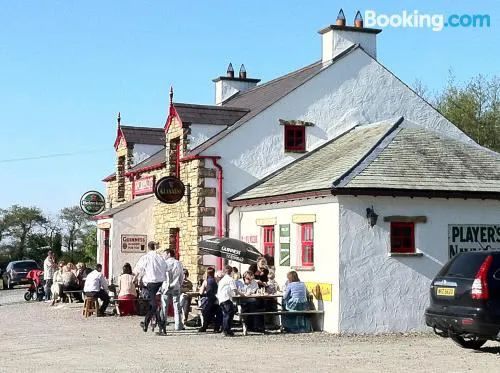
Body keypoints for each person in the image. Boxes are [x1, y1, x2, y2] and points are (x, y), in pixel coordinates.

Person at [133, 241, 167, 333]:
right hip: (160, 283)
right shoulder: (160, 258)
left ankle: (159, 325)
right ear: (155, 247)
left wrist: (135, 279)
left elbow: (138, 269)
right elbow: (165, 268)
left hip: (151, 283)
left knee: (153, 305)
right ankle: (149, 324)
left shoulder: (145, 258)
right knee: (154, 305)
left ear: (148, 247)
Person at [161, 249, 184, 331]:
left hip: (166, 286)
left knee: (164, 306)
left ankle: (163, 324)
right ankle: (178, 325)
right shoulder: (178, 263)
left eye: (164, 254)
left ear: (168, 254)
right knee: (177, 306)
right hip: (176, 286)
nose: (163, 256)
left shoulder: (164, 263)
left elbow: (162, 275)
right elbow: (182, 276)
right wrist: (179, 284)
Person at [198, 267, 222, 333]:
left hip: (209, 300)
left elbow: (201, 292)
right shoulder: (217, 280)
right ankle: (216, 328)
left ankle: (204, 327)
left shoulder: (206, 281)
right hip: (217, 299)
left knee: (206, 314)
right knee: (218, 313)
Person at [216, 265, 237, 337]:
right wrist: (242, 294)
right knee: (229, 314)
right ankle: (227, 330)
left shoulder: (222, 280)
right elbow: (234, 289)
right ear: (231, 272)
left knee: (225, 314)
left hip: (221, 299)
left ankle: (225, 329)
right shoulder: (230, 279)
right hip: (226, 298)